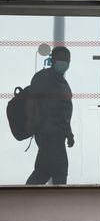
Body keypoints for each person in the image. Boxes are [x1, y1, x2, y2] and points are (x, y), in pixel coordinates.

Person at [26, 46, 74, 185]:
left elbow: (65, 111)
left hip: (57, 134)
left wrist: (69, 134)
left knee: (44, 170)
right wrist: (30, 123)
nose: (64, 62)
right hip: (47, 133)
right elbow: (32, 101)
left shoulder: (62, 82)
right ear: (53, 60)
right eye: (61, 59)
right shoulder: (43, 78)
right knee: (59, 169)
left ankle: (25, 199)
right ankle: (59, 203)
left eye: (67, 60)